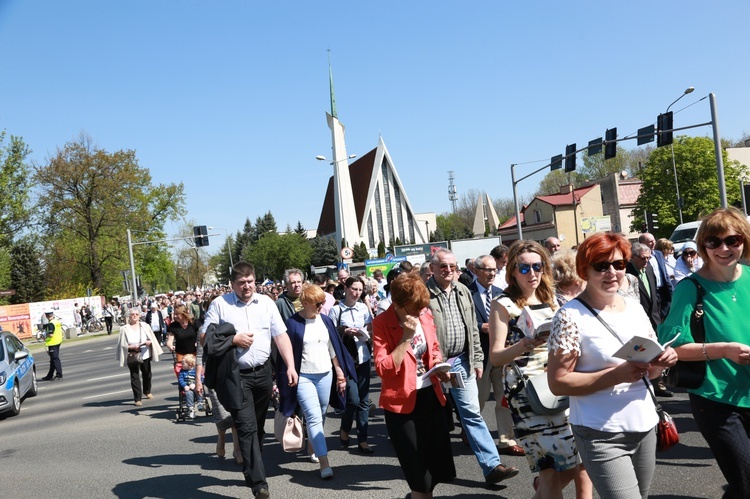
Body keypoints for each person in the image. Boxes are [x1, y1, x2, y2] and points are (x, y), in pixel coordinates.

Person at [546, 232, 677, 499]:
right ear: (585, 269)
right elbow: (558, 382)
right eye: (601, 266)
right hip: (600, 432)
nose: (611, 272)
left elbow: (648, 371)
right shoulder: (570, 316)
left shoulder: (634, 308)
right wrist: (615, 375)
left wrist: (662, 362)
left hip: (645, 425)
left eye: (618, 264)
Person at [658, 207, 750, 499]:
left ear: (744, 241)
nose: (724, 248)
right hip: (716, 399)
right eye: (714, 242)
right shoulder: (691, 288)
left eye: (733, 240)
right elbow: (672, 348)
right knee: (746, 481)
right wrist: (725, 350)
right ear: (703, 246)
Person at [488, 240, 588, 497]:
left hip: (560, 383)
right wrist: (524, 343)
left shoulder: (553, 298)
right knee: (550, 468)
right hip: (529, 394)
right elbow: (497, 357)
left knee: (578, 461)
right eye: (524, 268)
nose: (531, 274)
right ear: (512, 271)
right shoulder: (503, 303)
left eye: (537, 266)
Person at [202, 262, 298, 499]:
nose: (247, 286)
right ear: (232, 284)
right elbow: (205, 337)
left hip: (263, 373)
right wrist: (234, 338)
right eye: (241, 282)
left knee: (256, 426)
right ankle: (259, 483)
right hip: (236, 376)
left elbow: (280, 335)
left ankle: (250, 465)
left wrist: (291, 366)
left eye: (250, 281)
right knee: (245, 427)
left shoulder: (266, 303)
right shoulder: (220, 305)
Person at [427, 248, 519, 485]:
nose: (449, 270)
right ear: (433, 269)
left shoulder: (462, 291)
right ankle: (437, 470)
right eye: (443, 266)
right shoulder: (423, 293)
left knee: (471, 414)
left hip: (462, 362)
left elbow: (472, 330)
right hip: (433, 365)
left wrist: (477, 359)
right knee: (435, 419)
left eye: (452, 266)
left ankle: (492, 466)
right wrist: (433, 362)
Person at [373, 271, 456, 498]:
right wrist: (406, 338)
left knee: (434, 469)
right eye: (415, 308)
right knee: (419, 475)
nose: (420, 312)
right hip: (402, 406)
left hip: (431, 396)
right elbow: (383, 368)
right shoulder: (382, 323)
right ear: (398, 304)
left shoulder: (425, 315)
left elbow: (434, 347)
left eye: (422, 307)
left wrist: (438, 365)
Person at [277, 283, 354, 479]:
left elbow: (333, 349)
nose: (321, 306)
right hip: (304, 377)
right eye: (317, 303)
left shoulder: (325, 321)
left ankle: (313, 444)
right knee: (313, 417)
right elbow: (286, 353)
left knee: (320, 413)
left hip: (325, 374)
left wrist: (339, 372)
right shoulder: (292, 323)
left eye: (322, 302)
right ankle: (324, 462)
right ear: (304, 303)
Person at [469, 255, 523, 456]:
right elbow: (461, 321)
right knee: (480, 398)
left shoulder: (501, 294)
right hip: (480, 355)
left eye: (494, 270)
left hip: (501, 353)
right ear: (476, 270)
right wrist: (478, 326)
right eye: (487, 269)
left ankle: (506, 440)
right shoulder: (467, 293)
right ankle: (471, 431)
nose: (492, 273)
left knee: (503, 399)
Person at [328, 276, 375, 453]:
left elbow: (370, 328)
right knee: (353, 400)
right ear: (346, 289)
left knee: (364, 400)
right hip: (346, 360)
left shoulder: (363, 308)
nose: (356, 293)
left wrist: (364, 332)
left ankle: (363, 438)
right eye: (353, 289)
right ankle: (345, 429)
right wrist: (345, 331)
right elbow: (331, 335)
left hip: (363, 357)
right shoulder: (336, 310)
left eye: (360, 290)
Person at [628, 242, 672, 397]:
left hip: (654, 318)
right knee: (643, 354)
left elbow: (655, 295)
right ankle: (647, 383)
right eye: (642, 258)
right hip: (639, 321)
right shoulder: (628, 273)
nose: (646, 261)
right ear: (632, 257)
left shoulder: (649, 269)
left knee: (657, 351)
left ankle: (658, 383)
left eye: (648, 258)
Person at [116, 308, 163, 406]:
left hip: (145, 353)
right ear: (129, 316)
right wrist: (131, 346)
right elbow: (122, 344)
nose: (134, 316)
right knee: (134, 376)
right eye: (132, 314)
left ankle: (147, 391)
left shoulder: (145, 326)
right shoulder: (124, 329)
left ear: (139, 316)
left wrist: (149, 342)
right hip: (132, 354)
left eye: (136, 314)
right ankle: (137, 398)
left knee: (147, 373)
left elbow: (151, 338)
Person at [639, 232, 673, 320]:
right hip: (651, 292)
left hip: (663, 291)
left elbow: (665, 274)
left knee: (667, 316)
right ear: (643, 243)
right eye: (650, 241)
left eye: (654, 240)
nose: (653, 243)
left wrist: (671, 291)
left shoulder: (658, 254)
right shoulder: (640, 258)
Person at [167, 304, 198, 376]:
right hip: (181, 354)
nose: (175, 316)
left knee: (195, 374)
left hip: (194, 353)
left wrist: (198, 342)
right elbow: (169, 340)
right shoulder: (173, 326)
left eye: (177, 314)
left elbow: (201, 334)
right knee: (183, 376)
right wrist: (170, 346)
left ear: (183, 313)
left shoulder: (194, 322)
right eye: (174, 314)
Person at [178, 353, 204, 419]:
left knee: (198, 390)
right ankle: (191, 408)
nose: (181, 365)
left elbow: (201, 378)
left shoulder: (196, 370)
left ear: (189, 364)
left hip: (195, 386)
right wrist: (184, 386)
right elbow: (180, 380)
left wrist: (195, 384)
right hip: (187, 388)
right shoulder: (182, 371)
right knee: (188, 393)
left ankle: (200, 403)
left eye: (183, 363)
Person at [41, 310, 64, 381]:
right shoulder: (56, 321)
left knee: (55, 359)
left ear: (47, 316)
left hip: (53, 343)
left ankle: (59, 374)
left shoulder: (50, 324)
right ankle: (50, 375)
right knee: (53, 360)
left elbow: (51, 335)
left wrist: (45, 334)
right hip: (57, 341)